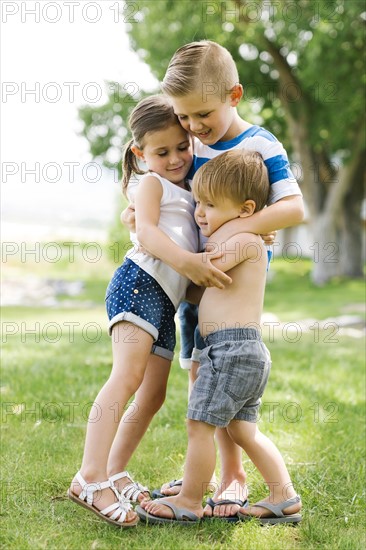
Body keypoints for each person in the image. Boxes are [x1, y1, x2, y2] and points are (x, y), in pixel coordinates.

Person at [121, 40, 304, 518]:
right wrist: (138, 215)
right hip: (193, 291)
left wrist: (238, 230)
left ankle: (230, 479)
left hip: (231, 289)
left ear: (234, 95)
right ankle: (208, 474)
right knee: (202, 384)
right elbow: (178, 198)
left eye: (202, 114)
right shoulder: (193, 147)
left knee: (212, 401)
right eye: (184, 117)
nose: (193, 128)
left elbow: (293, 207)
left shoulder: (259, 145)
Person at [67, 95, 227, 527]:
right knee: (126, 377)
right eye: (161, 151)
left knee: (153, 396)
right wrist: (189, 263)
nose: (174, 157)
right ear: (141, 153)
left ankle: (115, 471)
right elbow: (150, 236)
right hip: (138, 286)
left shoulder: (190, 188)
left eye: (181, 146)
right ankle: (89, 477)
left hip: (166, 301)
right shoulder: (150, 185)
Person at [137, 150, 302, 525]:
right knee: (243, 430)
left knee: (199, 426)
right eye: (197, 202)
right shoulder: (244, 238)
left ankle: (190, 500)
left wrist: (159, 244)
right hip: (235, 351)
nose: (199, 212)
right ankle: (283, 495)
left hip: (231, 350)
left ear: (246, 209)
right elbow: (204, 288)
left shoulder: (245, 239)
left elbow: (202, 270)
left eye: (209, 204)